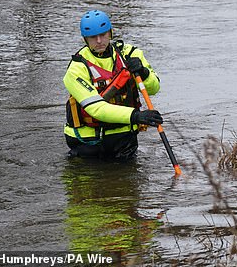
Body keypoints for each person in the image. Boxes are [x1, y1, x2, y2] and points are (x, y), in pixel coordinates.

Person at [63, 9, 163, 161]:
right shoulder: (76, 68)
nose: (99, 41)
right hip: (87, 143)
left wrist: (144, 73)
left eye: (103, 35)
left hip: (124, 139)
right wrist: (136, 116)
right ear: (85, 39)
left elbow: (154, 88)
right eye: (93, 37)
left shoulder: (130, 53)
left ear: (110, 33)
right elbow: (96, 109)